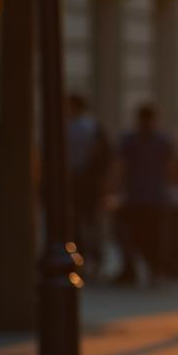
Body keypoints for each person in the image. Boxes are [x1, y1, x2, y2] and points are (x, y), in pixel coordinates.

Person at [113, 104, 176, 286]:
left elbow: (119, 167)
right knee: (152, 236)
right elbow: (171, 168)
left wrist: (112, 188)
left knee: (137, 235)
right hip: (152, 196)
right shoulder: (160, 141)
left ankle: (139, 269)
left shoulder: (131, 140)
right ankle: (152, 270)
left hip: (140, 196)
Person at [66, 94, 113, 273]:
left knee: (86, 221)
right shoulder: (90, 127)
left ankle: (90, 258)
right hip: (84, 181)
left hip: (83, 181)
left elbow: (102, 154)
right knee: (86, 222)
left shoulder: (87, 127)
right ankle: (90, 258)